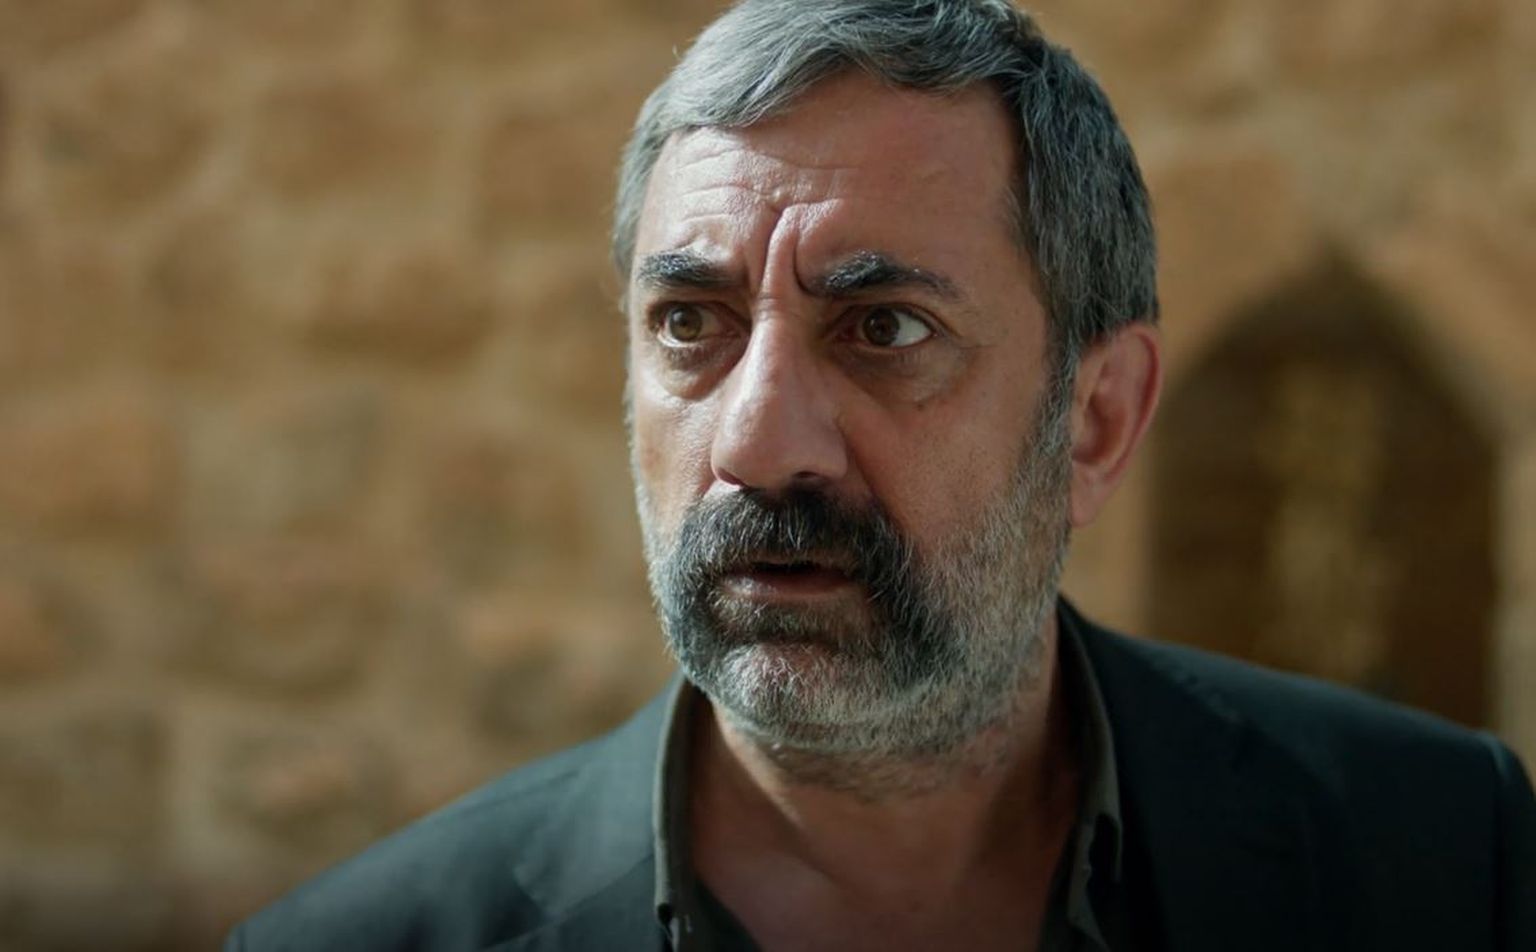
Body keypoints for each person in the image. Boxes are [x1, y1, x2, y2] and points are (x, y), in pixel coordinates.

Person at [226, 1, 1536, 949]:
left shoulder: (1436, 862)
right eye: (690, 324)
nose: (757, 443)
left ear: (1094, 422)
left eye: (885, 329)